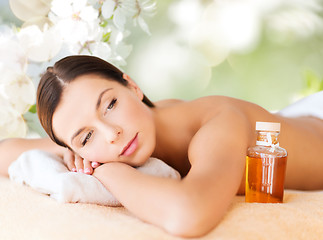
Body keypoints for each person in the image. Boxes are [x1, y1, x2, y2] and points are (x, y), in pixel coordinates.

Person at [1, 55, 323, 238]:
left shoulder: (218, 124)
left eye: (110, 104)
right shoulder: (115, 136)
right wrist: (76, 150)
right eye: (86, 137)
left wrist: (109, 172)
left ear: (133, 86)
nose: (111, 133)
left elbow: (189, 214)